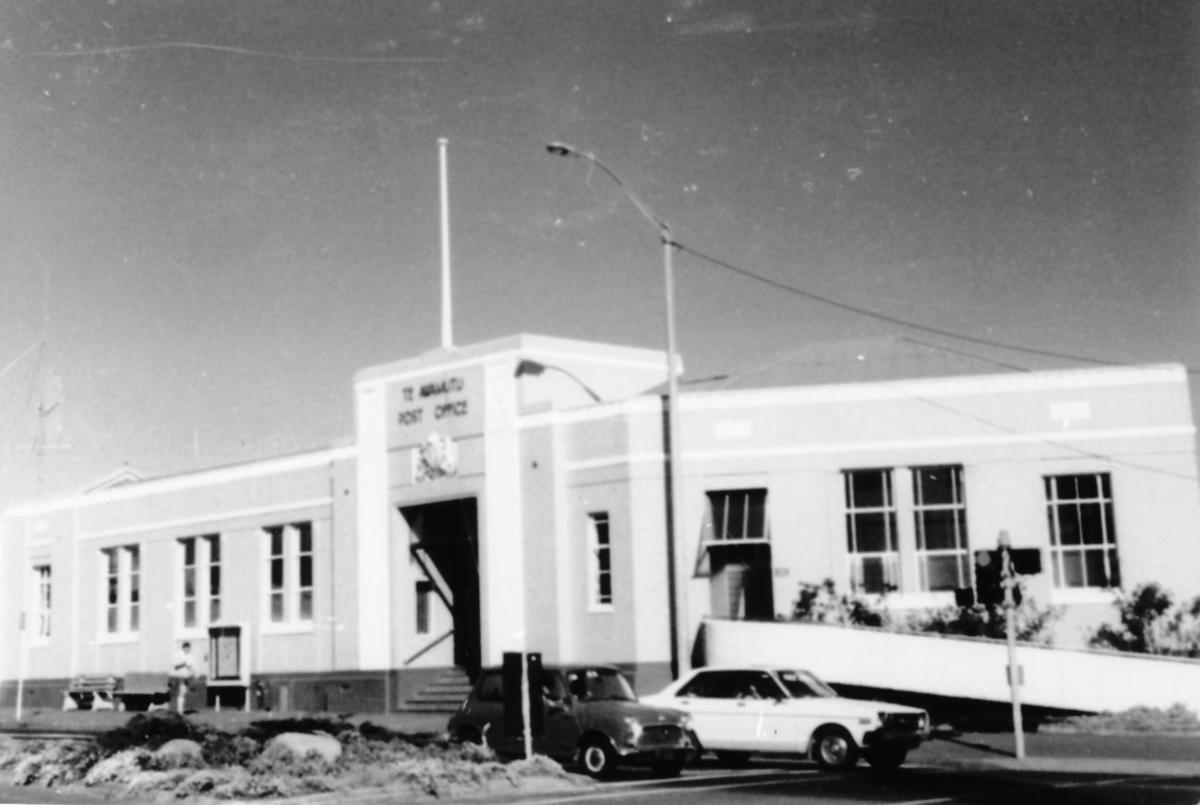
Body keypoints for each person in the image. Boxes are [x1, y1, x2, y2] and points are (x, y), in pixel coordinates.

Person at [169, 641, 198, 712]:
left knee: (183, 692)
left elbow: (192, 667)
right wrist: (184, 664)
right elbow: (175, 667)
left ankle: (180, 709)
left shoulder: (190, 656)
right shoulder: (178, 655)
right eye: (186, 648)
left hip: (186, 677)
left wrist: (193, 673)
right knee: (179, 692)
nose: (187, 650)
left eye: (189, 649)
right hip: (177, 676)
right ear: (183, 648)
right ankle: (178, 709)